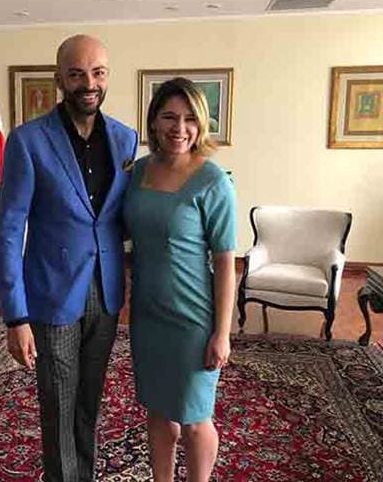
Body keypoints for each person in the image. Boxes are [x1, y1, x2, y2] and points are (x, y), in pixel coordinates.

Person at [0, 34, 138, 482]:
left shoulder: (126, 139)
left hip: (106, 290)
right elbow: (9, 229)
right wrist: (15, 317)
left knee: (88, 401)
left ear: (107, 76)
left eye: (98, 73)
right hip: (51, 293)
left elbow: (126, 215)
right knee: (58, 404)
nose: (88, 83)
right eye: (76, 74)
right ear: (59, 79)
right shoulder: (28, 141)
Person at [123, 77, 236, 482]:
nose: (179, 128)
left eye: (190, 118)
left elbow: (225, 262)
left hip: (192, 320)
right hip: (147, 314)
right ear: (154, 121)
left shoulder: (213, 181)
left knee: (194, 419)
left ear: (201, 124)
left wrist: (222, 333)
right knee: (157, 410)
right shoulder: (137, 172)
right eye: (170, 117)